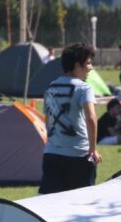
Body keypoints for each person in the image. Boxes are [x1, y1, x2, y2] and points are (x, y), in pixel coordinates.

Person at [40, 42, 101, 194]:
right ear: (77, 65)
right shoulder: (84, 88)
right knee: (80, 203)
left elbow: (47, 120)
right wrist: (93, 150)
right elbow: (91, 118)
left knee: (48, 202)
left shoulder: (50, 87)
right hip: (78, 155)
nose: (91, 68)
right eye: (88, 63)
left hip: (51, 154)